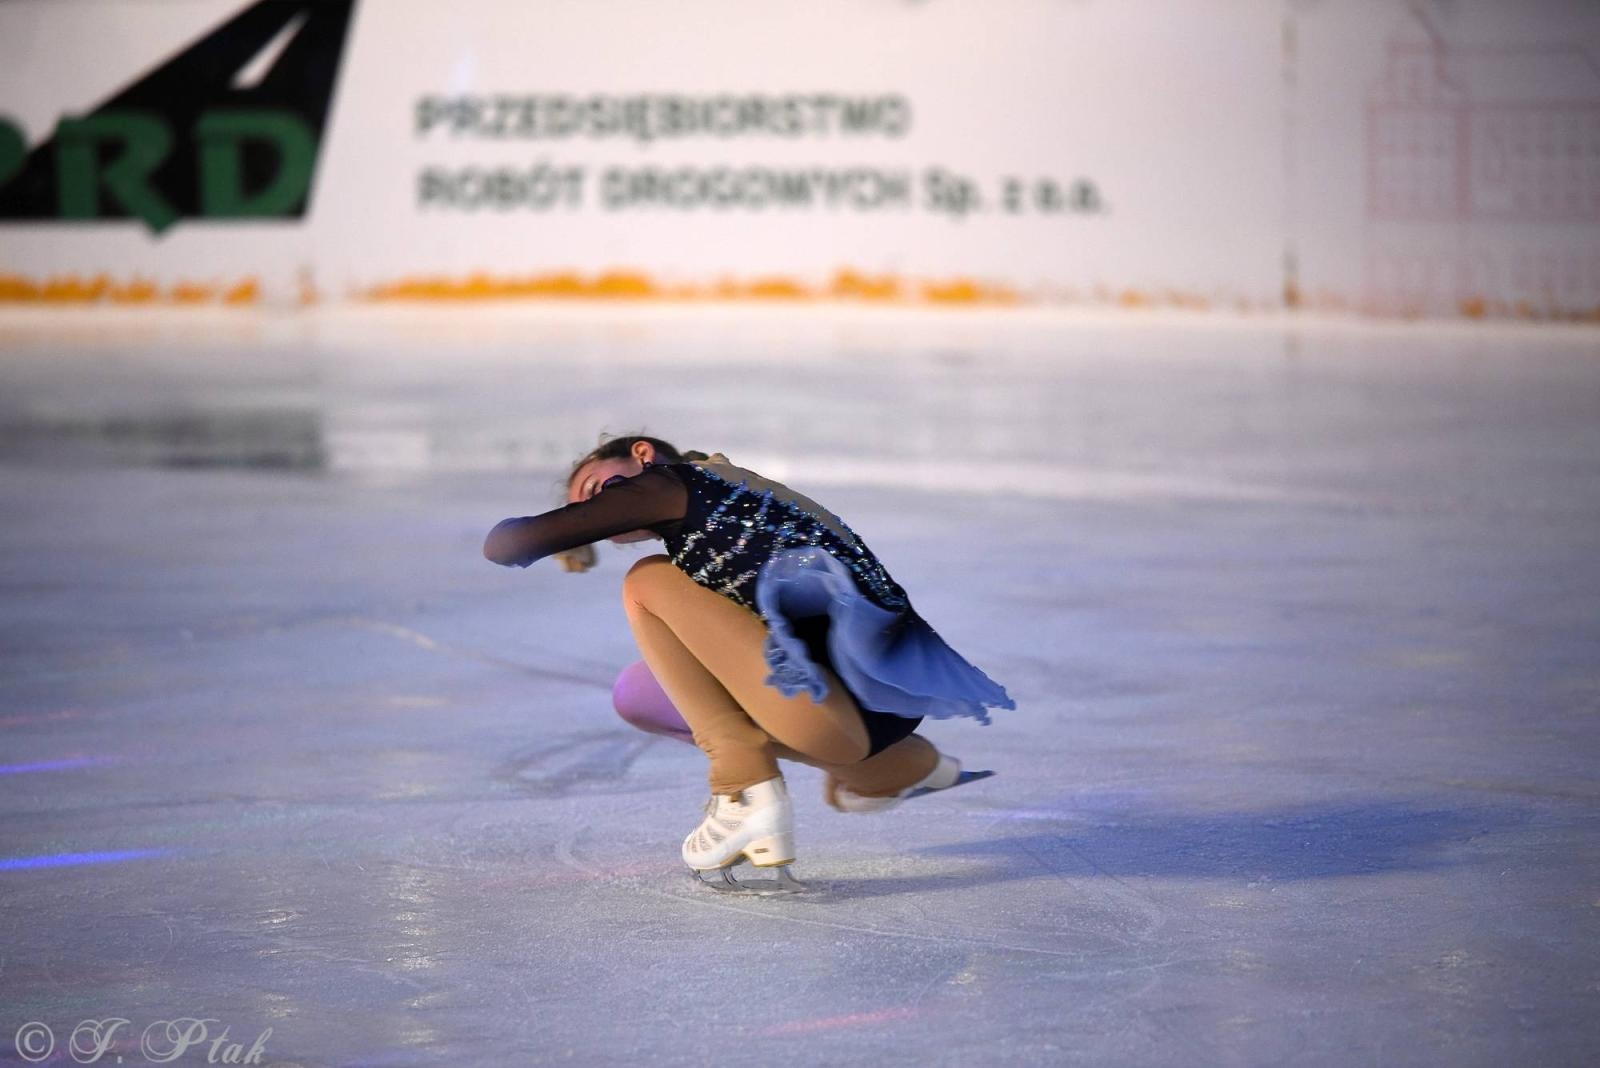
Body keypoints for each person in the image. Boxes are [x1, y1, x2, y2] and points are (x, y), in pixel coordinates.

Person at [482, 433, 1015, 892]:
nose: (596, 506)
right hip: (859, 721)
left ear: (642, 455)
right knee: (641, 693)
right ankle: (894, 769)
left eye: (596, 488)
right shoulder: (732, 501)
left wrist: (573, 529)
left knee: (645, 580)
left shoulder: (673, 484)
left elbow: (504, 545)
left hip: (827, 706)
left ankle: (742, 787)